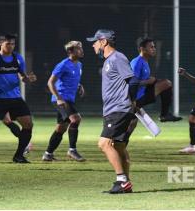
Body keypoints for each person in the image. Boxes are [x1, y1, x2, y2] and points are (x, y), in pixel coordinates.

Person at [87, 29, 138, 194]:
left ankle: (121, 180)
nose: (93, 45)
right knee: (119, 146)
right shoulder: (108, 60)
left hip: (119, 109)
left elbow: (133, 80)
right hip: (113, 109)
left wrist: (133, 102)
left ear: (103, 42)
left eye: (95, 42)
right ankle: (126, 183)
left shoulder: (118, 58)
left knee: (104, 143)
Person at [0, 34, 37, 163]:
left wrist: (28, 79)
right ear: (0, 44)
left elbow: (22, 77)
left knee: (28, 124)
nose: (11, 46)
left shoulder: (18, 58)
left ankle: (19, 155)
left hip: (15, 98)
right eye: (8, 43)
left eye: (13, 44)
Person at [43, 41, 86, 162]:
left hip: (69, 99)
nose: (81, 50)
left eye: (81, 48)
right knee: (76, 119)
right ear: (70, 52)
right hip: (61, 99)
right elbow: (50, 82)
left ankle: (48, 154)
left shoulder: (79, 65)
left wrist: (79, 86)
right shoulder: (63, 65)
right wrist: (58, 98)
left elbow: (72, 79)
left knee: (61, 128)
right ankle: (72, 150)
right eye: (78, 49)